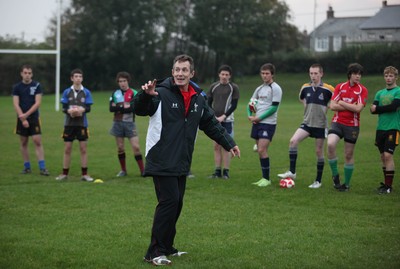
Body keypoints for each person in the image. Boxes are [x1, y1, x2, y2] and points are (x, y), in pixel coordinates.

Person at [135, 54, 240, 266]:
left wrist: (229, 142)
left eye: (184, 70)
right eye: (177, 70)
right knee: (169, 202)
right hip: (161, 158)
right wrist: (145, 95)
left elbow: (210, 124)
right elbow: (140, 108)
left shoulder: (198, 98)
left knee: (177, 204)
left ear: (192, 73)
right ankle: (154, 252)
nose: (180, 73)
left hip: (182, 160)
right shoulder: (160, 92)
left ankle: (167, 247)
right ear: (172, 72)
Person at [278, 64, 334, 188]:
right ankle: (292, 172)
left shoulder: (328, 89)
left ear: (321, 74)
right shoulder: (305, 87)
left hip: (320, 125)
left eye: (315, 73)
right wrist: (308, 108)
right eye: (311, 73)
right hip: (307, 123)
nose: (313, 76)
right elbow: (302, 99)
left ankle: (318, 181)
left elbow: (336, 100)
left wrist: (329, 106)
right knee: (293, 141)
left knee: (319, 152)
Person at [327, 63, 368, 192]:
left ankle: (347, 184)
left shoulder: (362, 90)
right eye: (356, 74)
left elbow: (358, 109)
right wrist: (351, 106)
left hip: (352, 126)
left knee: (348, 155)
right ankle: (335, 175)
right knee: (330, 144)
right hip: (337, 122)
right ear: (350, 74)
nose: (358, 76)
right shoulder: (340, 87)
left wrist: (343, 102)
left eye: (360, 74)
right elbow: (332, 106)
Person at [55, 69, 94, 182]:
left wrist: (81, 110)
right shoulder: (67, 92)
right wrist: (70, 112)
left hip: (82, 124)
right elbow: (64, 108)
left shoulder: (86, 92)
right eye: (76, 76)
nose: (78, 78)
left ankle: (85, 174)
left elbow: (88, 108)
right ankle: (64, 174)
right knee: (67, 149)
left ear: (82, 78)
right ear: (72, 78)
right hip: (69, 125)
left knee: (83, 149)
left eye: (80, 76)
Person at [249, 63, 282, 187]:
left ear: (272, 74)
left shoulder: (276, 88)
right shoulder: (259, 89)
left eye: (267, 73)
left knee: (262, 149)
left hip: (268, 123)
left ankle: (267, 179)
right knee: (260, 150)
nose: (265, 76)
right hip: (257, 123)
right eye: (263, 73)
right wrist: (249, 115)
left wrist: (259, 117)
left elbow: (274, 108)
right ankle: (264, 177)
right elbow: (251, 104)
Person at [12, 64, 49, 176]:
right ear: (21, 74)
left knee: (37, 141)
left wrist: (26, 115)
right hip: (21, 118)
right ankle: (27, 167)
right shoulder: (17, 87)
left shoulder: (37, 85)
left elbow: (37, 103)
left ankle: (42, 168)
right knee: (23, 142)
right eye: (25, 73)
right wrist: (22, 118)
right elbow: (15, 103)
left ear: (31, 74)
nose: (27, 75)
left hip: (33, 118)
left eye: (29, 73)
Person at [370, 66, 400, 194]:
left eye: (391, 76)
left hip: (393, 128)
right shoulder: (379, 93)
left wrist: (378, 109)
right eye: (386, 76)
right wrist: (376, 109)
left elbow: (393, 107)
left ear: (396, 77)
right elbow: (372, 110)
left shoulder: (398, 91)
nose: (388, 78)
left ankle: (389, 187)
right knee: (383, 157)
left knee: (388, 155)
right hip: (380, 128)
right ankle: (385, 185)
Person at [207, 64, 240, 179]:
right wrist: (213, 116)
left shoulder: (233, 87)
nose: (224, 76)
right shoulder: (214, 86)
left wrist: (223, 116)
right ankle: (217, 171)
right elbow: (208, 103)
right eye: (222, 74)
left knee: (226, 146)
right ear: (219, 75)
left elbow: (234, 105)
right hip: (215, 120)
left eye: (226, 74)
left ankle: (226, 172)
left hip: (228, 120)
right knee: (216, 146)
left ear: (230, 76)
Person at [109, 71, 144, 177]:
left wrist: (119, 107)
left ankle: (143, 171)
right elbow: (111, 108)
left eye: (124, 81)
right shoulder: (115, 94)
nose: (122, 83)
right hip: (118, 123)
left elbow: (135, 108)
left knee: (136, 147)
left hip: (130, 124)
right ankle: (123, 170)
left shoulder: (134, 93)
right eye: (120, 81)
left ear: (128, 81)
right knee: (120, 147)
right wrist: (124, 107)